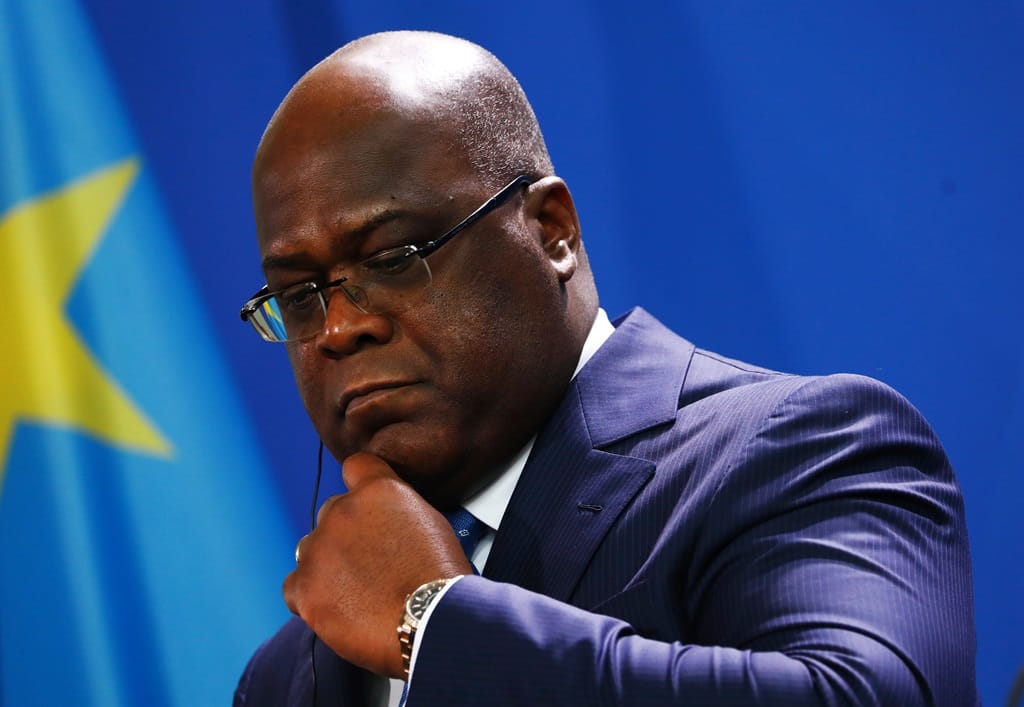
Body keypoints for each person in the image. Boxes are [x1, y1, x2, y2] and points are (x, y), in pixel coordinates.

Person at [233, 30, 977, 706]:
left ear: (551, 231)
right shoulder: (287, 673)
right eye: (298, 297)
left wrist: (431, 623)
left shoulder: (799, 451)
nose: (339, 328)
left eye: (395, 257)